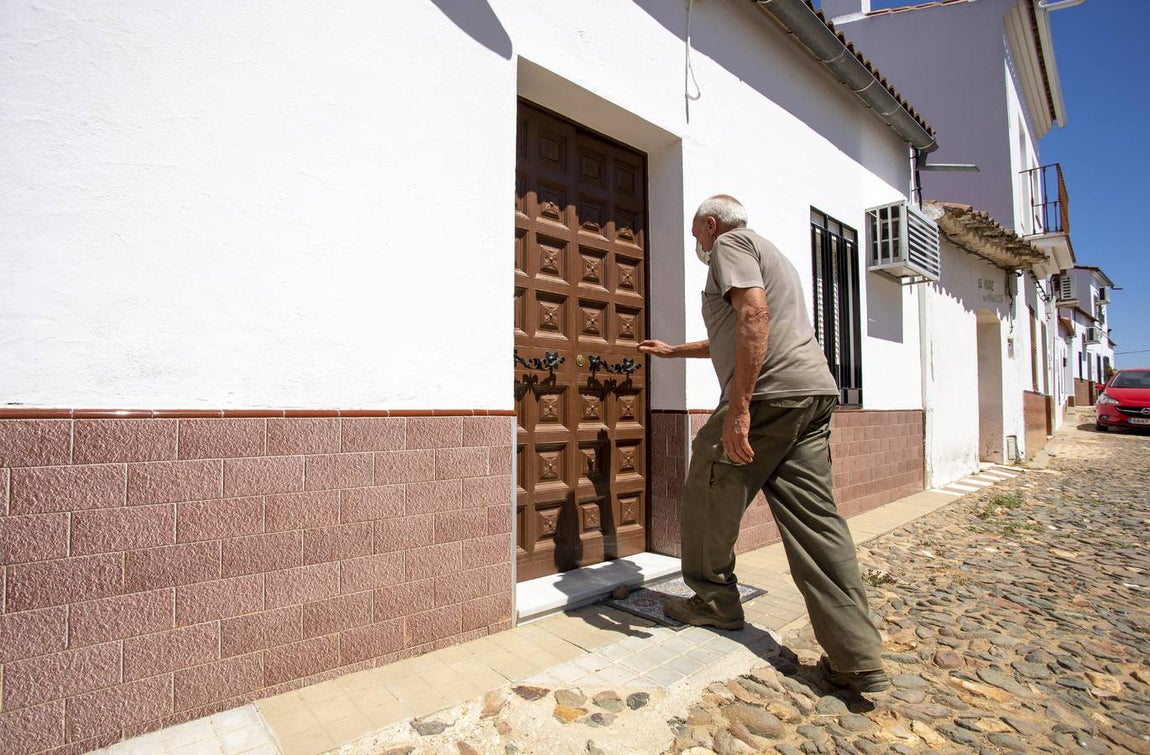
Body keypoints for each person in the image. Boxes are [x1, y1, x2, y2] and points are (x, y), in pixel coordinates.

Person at [638, 195, 890, 694]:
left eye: (696, 236)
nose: (698, 245)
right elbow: (741, 327)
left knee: (708, 491)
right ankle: (856, 655)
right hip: (812, 395)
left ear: (710, 225)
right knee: (816, 522)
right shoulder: (773, 254)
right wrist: (674, 351)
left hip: (771, 396)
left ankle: (713, 602)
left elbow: (754, 316)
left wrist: (739, 407)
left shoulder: (729, 243)